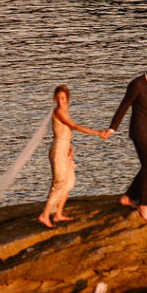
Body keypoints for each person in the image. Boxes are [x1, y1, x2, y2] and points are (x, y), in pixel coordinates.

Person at [105, 57, 147, 224]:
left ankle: (128, 197)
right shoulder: (137, 85)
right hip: (140, 132)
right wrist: (112, 128)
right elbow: (124, 106)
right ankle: (143, 204)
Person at [38, 85, 107, 228]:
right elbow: (74, 126)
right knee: (60, 182)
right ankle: (45, 215)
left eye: (63, 98)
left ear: (67, 98)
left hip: (65, 149)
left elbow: (64, 131)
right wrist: (98, 132)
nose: (60, 101)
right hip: (57, 150)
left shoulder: (65, 110)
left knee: (69, 181)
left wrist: (70, 145)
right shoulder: (58, 111)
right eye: (58, 98)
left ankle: (58, 214)